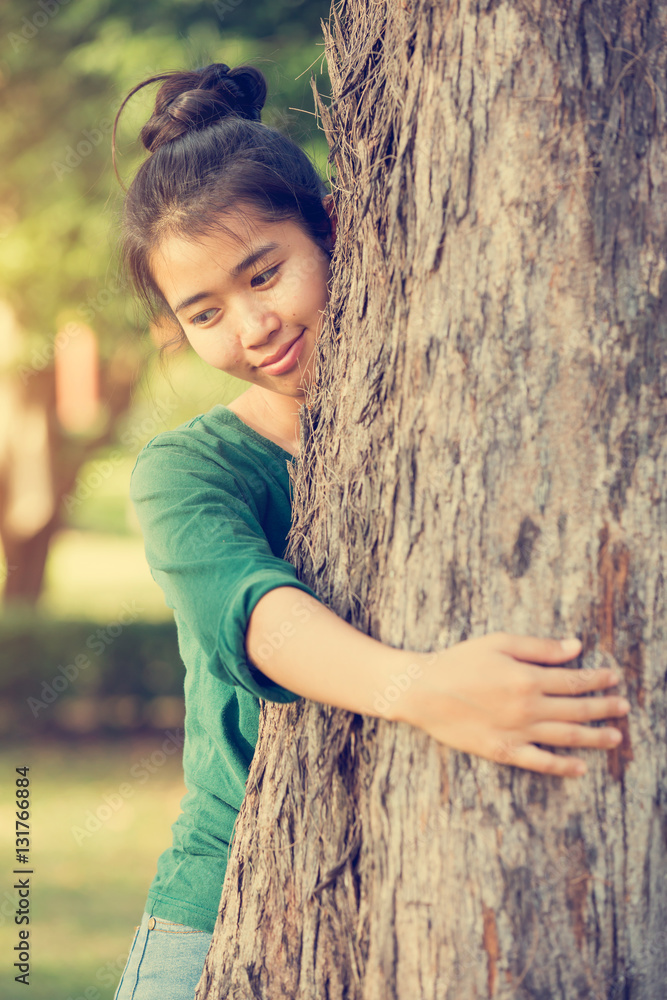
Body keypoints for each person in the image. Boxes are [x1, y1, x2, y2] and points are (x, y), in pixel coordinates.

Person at [109, 61, 630, 999]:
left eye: (264, 272)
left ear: (333, 228)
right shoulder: (186, 472)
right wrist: (421, 687)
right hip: (225, 894)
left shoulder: (440, 409)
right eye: (205, 312)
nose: (254, 324)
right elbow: (260, 615)